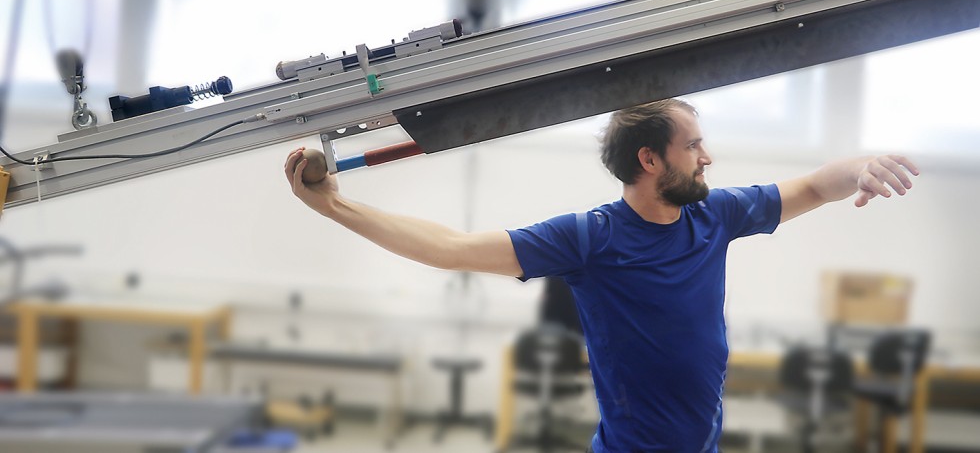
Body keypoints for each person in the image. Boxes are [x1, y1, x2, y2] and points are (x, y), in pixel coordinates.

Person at [283, 98, 918, 453]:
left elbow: (812, 184)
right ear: (650, 159)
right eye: (693, 145)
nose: (708, 156)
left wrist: (863, 166)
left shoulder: (716, 215)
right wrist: (334, 204)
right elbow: (451, 248)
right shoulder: (590, 238)